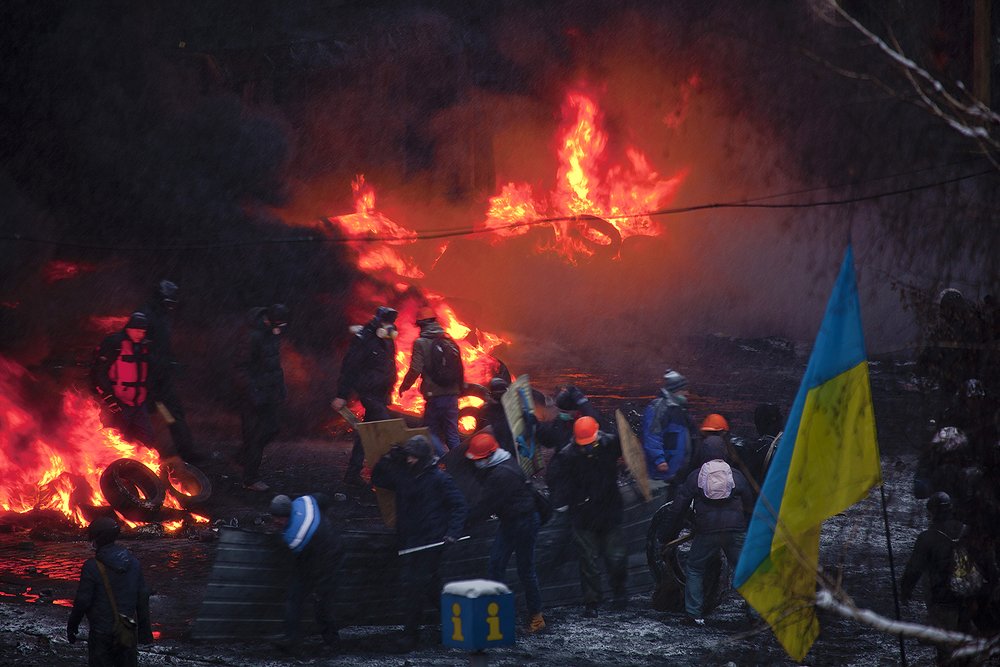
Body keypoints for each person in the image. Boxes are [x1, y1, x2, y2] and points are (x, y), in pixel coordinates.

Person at [370, 435, 467, 651]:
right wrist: (387, 459)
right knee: (430, 586)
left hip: (430, 541)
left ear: (423, 458)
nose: (409, 460)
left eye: (413, 457)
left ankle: (410, 635)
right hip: (410, 539)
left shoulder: (440, 479)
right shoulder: (405, 475)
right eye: (408, 456)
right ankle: (455, 622)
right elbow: (377, 479)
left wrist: (452, 532)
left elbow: (459, 505)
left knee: (415, 587)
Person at [661, 435, 753, 625]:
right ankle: (755, 613)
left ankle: (694, 615)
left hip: (707, 532)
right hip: (735, 531)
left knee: (695, 568)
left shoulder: (696, 476)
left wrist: (666, 535)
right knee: (745, 570)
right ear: (724, 453)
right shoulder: (736, 475)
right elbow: (750, 504)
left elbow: (678, 508)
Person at [545, 416, 627, 616]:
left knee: (616, 558)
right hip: (584, 516)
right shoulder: (567, 456)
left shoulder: (610, 444)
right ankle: (592, 602)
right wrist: (562, 502)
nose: (587, 448)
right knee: (588, 561)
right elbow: (555, 481)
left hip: (609, 512)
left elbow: (626, 444)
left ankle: (619, 594)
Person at [465, 432, 545, 633]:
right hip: (515, 519)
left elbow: (485, 506)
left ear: (489, 457)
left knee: (521, 569)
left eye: (479, 460)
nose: (476, 463)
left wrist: (460, 526)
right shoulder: (505, 460)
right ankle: (502, 615)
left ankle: (533, 618)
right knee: (499, 566)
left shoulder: (499, 475)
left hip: (523, 521)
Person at [901, 492, 978, 665]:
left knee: (945, 650)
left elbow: (914, 568)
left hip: (942, 599)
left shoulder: (927, 538)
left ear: (932, 512)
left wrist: (905, 590)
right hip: (969, 597)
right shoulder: (967, 530)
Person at [67, 517, 153, 667]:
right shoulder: (134, 563)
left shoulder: (91, 566)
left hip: (101, 633)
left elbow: (83, 601)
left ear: (97, 539)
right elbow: (142, 597)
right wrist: (145, 632)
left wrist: (72, 626)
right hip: (127, 631)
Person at [331, 306, 399, 487]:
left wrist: (390, 390)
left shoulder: (387, 339)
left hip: (382, 393)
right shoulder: (365, 339)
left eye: (391, 322)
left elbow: (389, 367)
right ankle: (387, 475)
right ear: (378, 321)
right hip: (369, 393)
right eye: (386, 322)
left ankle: (352, 473)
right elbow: (350, 368)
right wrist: (341, 395)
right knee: (384, 429)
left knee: (366, 432)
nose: (390, 326)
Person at [268, 493, 342, 654]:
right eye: (274, 518)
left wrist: (318, 584)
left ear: (288, 514)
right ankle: (291, 638)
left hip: (327, 557)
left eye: (280, 519)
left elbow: (304, 560)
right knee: (294, 597)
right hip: (323, 544)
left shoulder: (294, 537)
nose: (276, 522)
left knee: (321, 601)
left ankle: (332, 643)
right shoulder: (303, 501)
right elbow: (323, 498)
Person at [138, 279, 200, 463]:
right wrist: (149, 369)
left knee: (172, 415)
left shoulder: (163, 316)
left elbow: (163, 345)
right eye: (168, 302)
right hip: (145, 380)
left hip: (162, 379)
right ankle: (143, 456)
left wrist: (171, 363)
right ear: (160, 298)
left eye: (173, 303)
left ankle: (186, 453)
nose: (171, 307)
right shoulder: (144, 315)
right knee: (145, 419)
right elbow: (135, 346)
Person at [235, 304, 289, 492]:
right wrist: (253, 393)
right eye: (278, 324)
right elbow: (242, 368)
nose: (280, 329)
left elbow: (274, 365)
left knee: (272, 429)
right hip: (252, 396)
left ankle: (242, 457)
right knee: (254, 437)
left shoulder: (272, 334)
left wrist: (280, 389)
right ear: (269, 320)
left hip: (268, 394)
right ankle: (250, 479)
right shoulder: (253, 336)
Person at [399, 306, 464, 452]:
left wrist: (404, 386)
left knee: (430, 432)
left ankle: (442, 460)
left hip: (435, 395)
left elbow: (415, 369)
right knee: (452, 433)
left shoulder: (421, 343)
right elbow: (459, 368)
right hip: (452, 394)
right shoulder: (448, 339)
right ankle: (458, 467)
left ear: (421, 324)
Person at [91, 312, 154, 447]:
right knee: (115, 440)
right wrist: (109, 398)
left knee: (147, 440)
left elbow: (149, 373)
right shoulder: (115, 343)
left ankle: (142, 466)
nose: (140, 334)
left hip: (139, 403)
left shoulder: (144, 347)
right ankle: (110, 467)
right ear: (129, 328)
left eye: (143, 331)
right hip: (119, 403)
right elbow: (99, 372)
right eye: (137, 331)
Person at [641, 369, 693, 492]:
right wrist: (659, 460)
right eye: (684, 390)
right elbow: (652, 436)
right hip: (663, 473)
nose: (687, 393)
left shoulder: (679, 408)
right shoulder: (659, 408)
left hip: (676, 471)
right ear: (675, 390)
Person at [535, 384, 598, 450]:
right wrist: (535, 424)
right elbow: (549, 441)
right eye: (562, 411)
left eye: (566, 411)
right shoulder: (560, 422)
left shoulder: (590, 422)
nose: (563, 413)